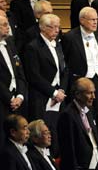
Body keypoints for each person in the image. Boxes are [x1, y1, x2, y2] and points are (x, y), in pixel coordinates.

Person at [24, 14, 68, 157]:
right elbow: (33, 75)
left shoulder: (58, 44)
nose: (57, 30)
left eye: (58, 26)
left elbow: (64, 70)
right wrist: (53, 93)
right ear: (42, 28)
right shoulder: (33, 47)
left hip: (58, 97)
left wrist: (61, 90)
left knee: (57, 131)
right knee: (43, 131)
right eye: (52, 27)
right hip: (42, 97)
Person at [62, 6, 98, 112]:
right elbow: (65, 62)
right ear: (82, 20)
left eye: (96, 20)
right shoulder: (70, 37)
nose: (95, 22)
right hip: (80, 82)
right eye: (92, 20)